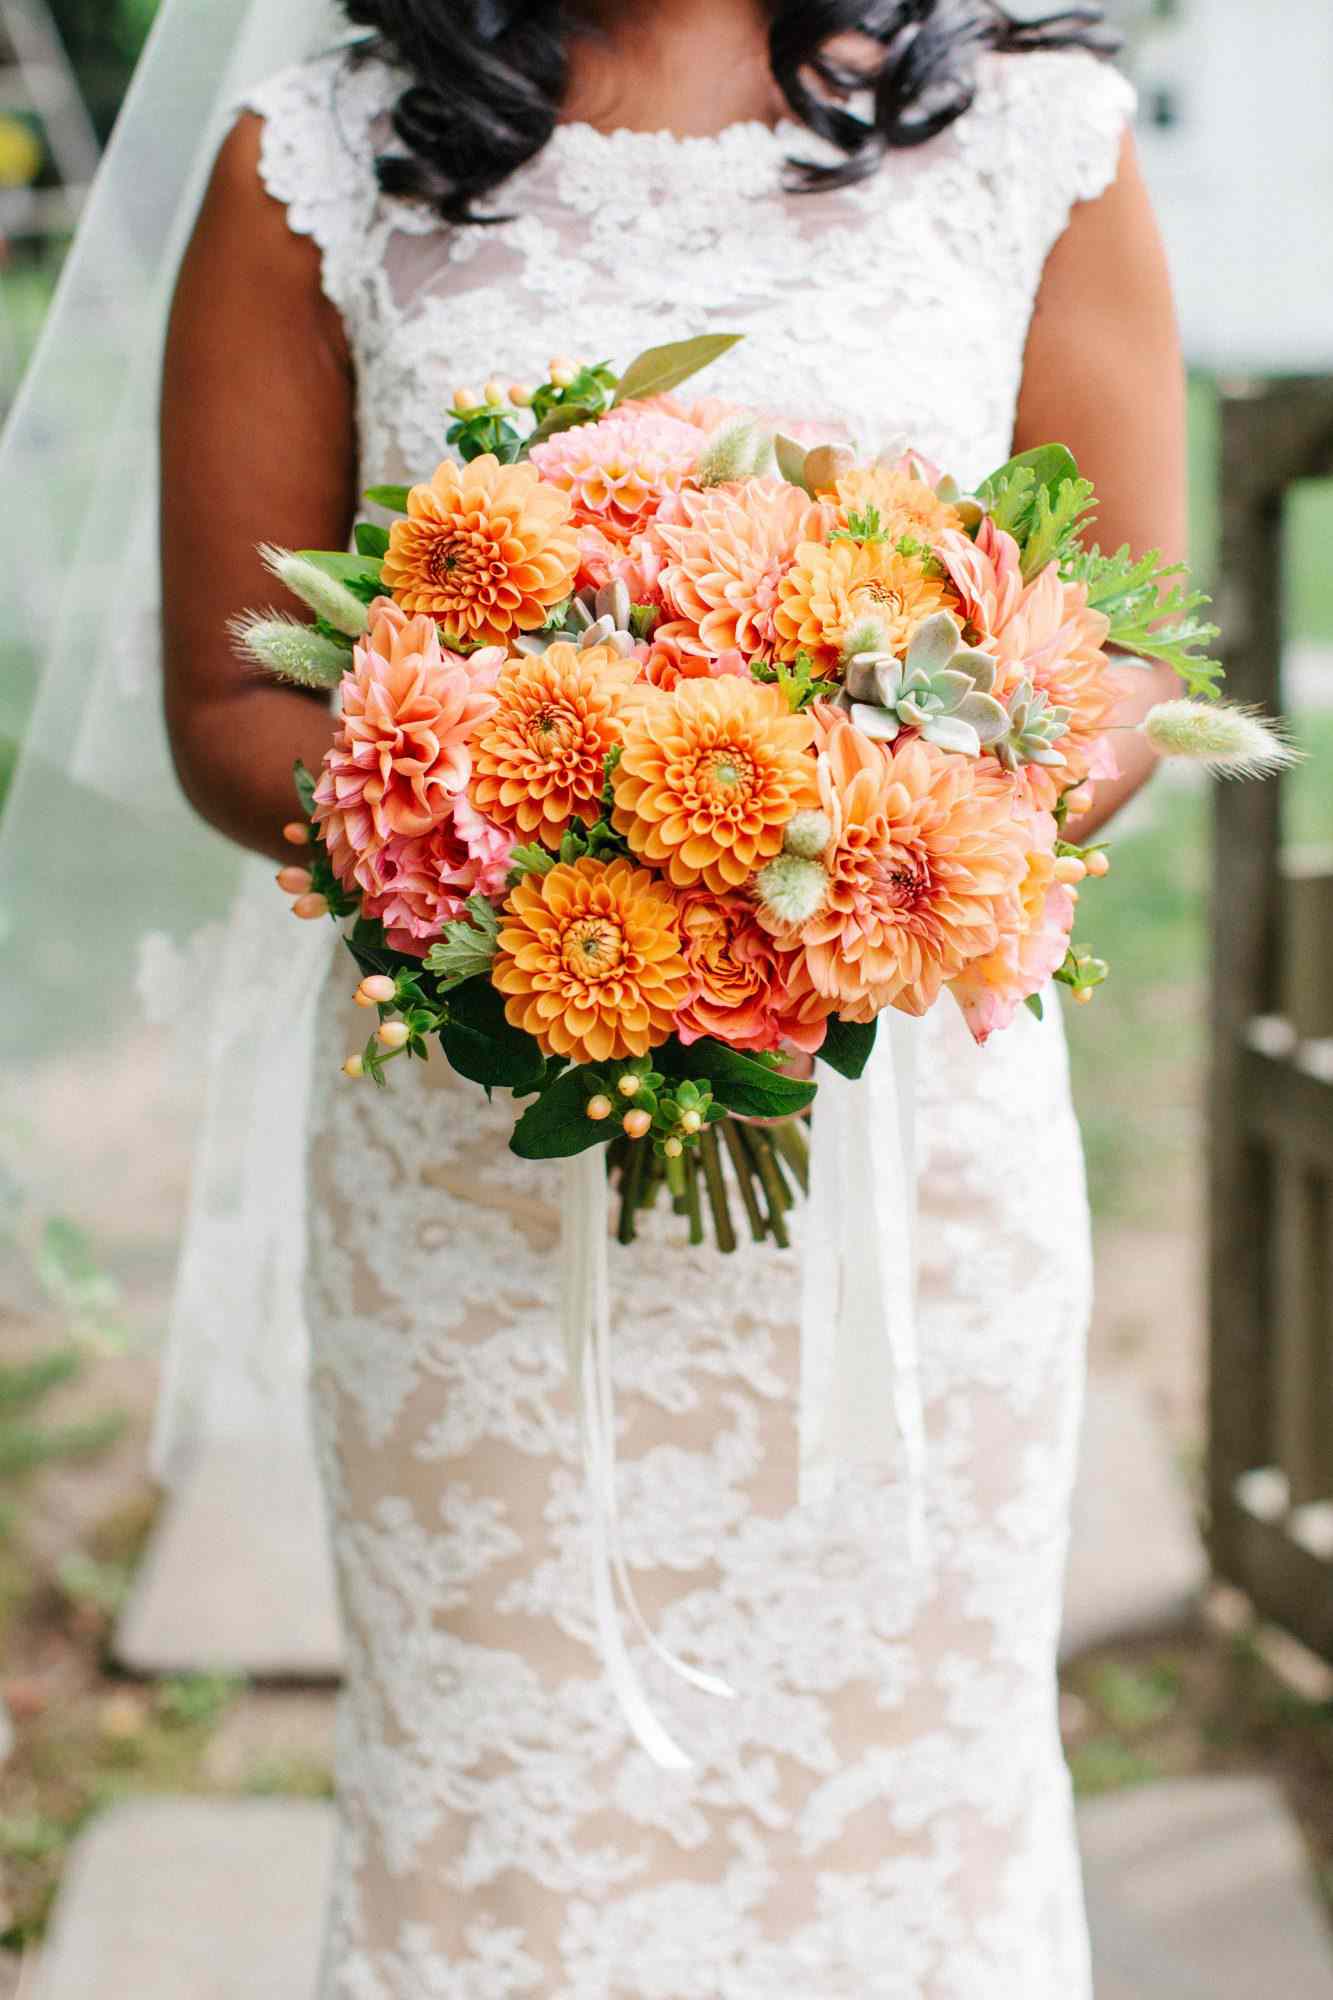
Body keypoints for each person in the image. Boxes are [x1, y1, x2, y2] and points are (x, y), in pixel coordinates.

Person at [160, 2, 1184, 1992]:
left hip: (913, 1175)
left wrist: (905, 793)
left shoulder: (1038, 139)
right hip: (476, 1198)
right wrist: (521, 811)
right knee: (510, 1816)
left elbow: (1134, 640)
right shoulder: (314, 160)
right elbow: (227, 705)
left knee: (913, 1803)